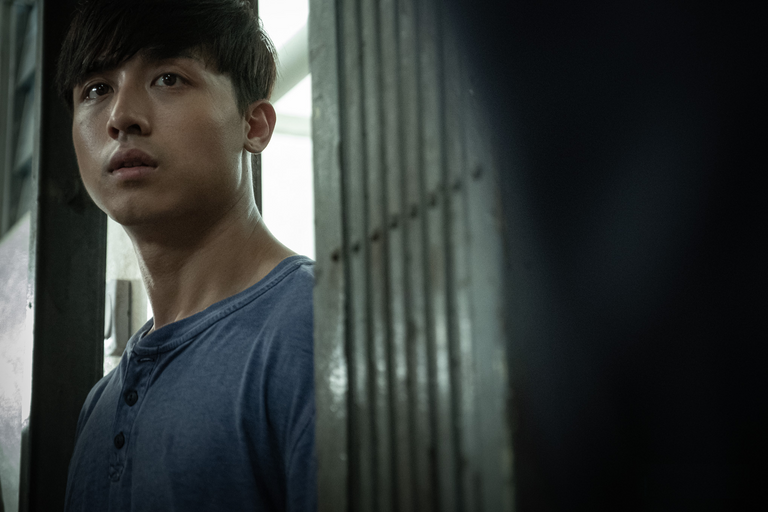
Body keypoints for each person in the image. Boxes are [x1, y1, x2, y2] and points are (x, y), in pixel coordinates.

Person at [55, 1, 316, 510]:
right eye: (97, 89)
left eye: (168, 79)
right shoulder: (99, 406)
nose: (121, 118)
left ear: (254, 125)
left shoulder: (315, 328)